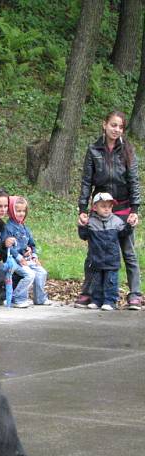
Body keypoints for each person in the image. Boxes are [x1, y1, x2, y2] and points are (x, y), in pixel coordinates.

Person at [76, 110, 141, 310]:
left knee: (128, 252)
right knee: (94, 252)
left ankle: (135, 294)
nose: (116, 130)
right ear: (104, 124)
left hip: (122, 207)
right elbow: (87, 181)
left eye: (120, 127)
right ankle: (89, 292)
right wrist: (83, 208)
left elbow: (134, 181)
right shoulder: (93, 149)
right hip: (100, 206)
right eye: (113, 125)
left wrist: (135, 209)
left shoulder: (127, 150)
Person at [78, 192, 135, 310]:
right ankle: (97, 300)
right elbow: (84, 236)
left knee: (111, 282)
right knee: (96, 282)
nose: (107, 209)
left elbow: (123, 234)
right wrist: (82, 226)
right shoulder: (91, 222)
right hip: (96, 259)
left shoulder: (117, 221)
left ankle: (110, 301)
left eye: (109, 207)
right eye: (103, 206)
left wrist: (130, 226)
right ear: (95, 207)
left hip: (112, 259)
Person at [3, 195, 51, 307]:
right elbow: (8, 247)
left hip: (27, 259)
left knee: (41, 272)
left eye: (23, 211)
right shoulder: (8, 228)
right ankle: (17, 298)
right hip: (14, 260)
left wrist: (34, 255)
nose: (21, 214)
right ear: (11, 211)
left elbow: (32, 244)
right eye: (18, 211)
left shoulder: (25, 228)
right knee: (29, 274)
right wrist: (20, 258)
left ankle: (40, 298)